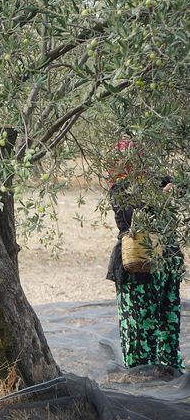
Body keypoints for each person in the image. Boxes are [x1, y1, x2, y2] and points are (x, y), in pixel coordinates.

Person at [105, 137, 185, 375]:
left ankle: (168, 368)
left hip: (167, 259)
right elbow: (132, 221)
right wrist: (161, 198)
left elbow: (180, 186)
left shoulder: (154, 180)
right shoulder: (120, 190)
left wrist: (176, 187)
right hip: (138, 264)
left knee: (168, 316)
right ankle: (140, 373)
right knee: (139, 323)